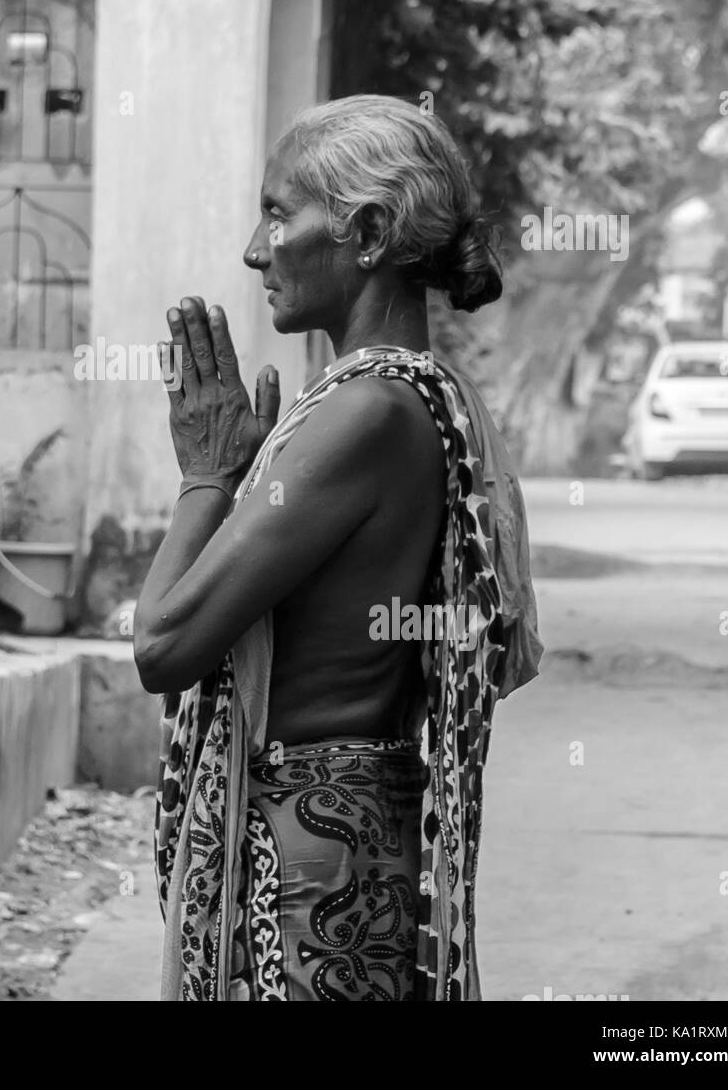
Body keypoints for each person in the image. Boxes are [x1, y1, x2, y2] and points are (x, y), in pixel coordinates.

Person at [134, 94, 543, 1002]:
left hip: (309, 871)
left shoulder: (363, 411)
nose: (254, 248)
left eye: (279, 213)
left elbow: (163, 644)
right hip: (350, 846)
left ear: (363, 234)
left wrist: (205, 478)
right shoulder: (414, 398)